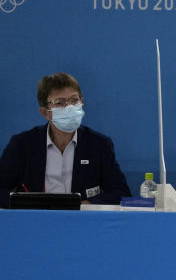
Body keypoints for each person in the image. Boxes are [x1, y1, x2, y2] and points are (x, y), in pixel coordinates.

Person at [0, 72, 131, 206]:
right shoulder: (22, 144)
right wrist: (26, 204)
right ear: (45, 113)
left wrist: (88, 204)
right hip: (35, 220)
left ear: (82, 102)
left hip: (81, 221)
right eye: (60, 103)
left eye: (74, 100)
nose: (69, 107)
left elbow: (120, 192)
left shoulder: (99, 144)